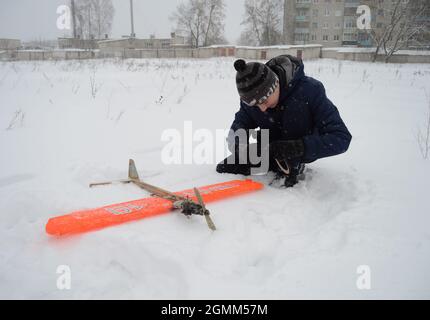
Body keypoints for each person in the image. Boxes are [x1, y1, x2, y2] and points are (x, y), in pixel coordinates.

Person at [216, 55, 352, 187]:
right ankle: (275, 161)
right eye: (255, 104)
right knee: (225, 168)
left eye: (264, 101)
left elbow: (341, 138)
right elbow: (239, 125)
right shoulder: (252, 98)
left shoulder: (310, 91)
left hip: (300, 149)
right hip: (270, 148)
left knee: (285, 181)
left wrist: (299, 147)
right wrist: (239, 146)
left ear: (275, 85)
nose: (261, 108)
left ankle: (295, 164)